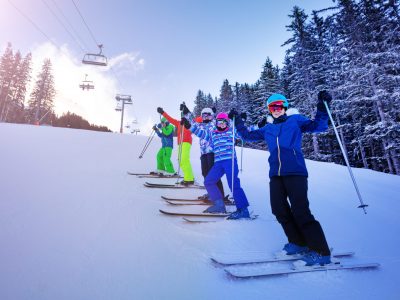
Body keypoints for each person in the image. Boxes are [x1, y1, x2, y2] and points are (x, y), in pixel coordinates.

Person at [231, 91, 333, 266]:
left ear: (284, 107)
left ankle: (321, 252)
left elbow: (319, 126)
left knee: (301, 211)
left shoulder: (295, 120)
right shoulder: (268, 127)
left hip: (296, 172)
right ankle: (298, 242)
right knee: (279, 209)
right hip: (276, 174)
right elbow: (247, 136)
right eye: (272, 107)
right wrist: (238, 121)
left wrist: (323, 106)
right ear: (269, 110)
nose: (276, 109)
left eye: (279, 106)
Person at [181, 112, 250, 220]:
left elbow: (244, 134)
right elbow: (201, 133)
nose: (221, 124)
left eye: (224, 122)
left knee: (233, 184)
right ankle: (219, 205)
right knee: (208, 181)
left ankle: (243, 210)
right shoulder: (213, 134)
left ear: (227, 123)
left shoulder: (231, 132)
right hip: (218, 163)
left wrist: (239, 120)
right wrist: (190, 126)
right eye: (219, 122)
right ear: (216, 123)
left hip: (230, 161)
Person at [187, 106, 226, 201]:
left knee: (213, 174)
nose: (206, 118)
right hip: (203, 153)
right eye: (204, 116)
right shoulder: (200, 125)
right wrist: (186, 112)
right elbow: (192, 123)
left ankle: (220, 195)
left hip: (212, 152)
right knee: (205, 173)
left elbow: (224, 123)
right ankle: (212, 193)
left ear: (212, 116)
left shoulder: (214, 124)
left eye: (208, 116)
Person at [157, 106, 195, 185]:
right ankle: (189, 177)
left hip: (186, 142)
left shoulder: (190, 122)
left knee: (184, 160)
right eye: (182, 115)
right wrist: (162, 112)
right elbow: (169, 119)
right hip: (180, 143)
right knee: (180, 161)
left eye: (184, 115)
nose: (183, 117)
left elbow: (197, 119)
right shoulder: (178, 123)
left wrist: (186, 109)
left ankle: (189, 179)